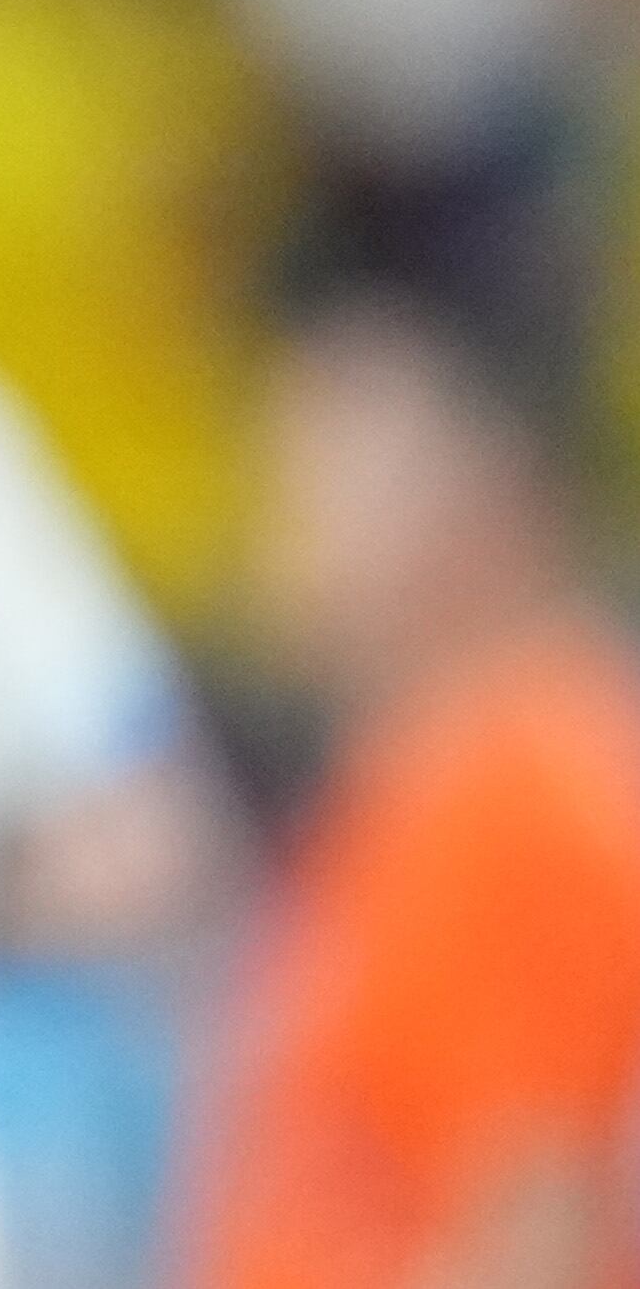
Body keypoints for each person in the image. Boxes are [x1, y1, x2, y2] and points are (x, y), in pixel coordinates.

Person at [187, 294, 640, 1289]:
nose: (280, 512)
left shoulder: (516, 778)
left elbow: (534, 1231)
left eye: (331, 466)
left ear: (491, 491)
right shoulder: (417, 770)